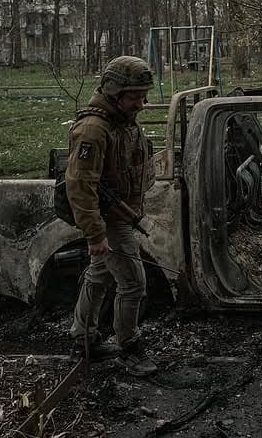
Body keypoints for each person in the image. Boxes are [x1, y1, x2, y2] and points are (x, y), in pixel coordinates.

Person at [66, 55, 158, 376]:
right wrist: (95, 234)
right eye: (136, 96)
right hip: (108, 219)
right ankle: (129, 347)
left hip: (120, 212)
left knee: (100, 274)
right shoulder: (94, 129)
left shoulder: (120, 120)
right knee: (133, 283)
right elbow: (79, 186)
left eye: (144, 95)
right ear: (115, 92)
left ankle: (83, 337)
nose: (142, 104)